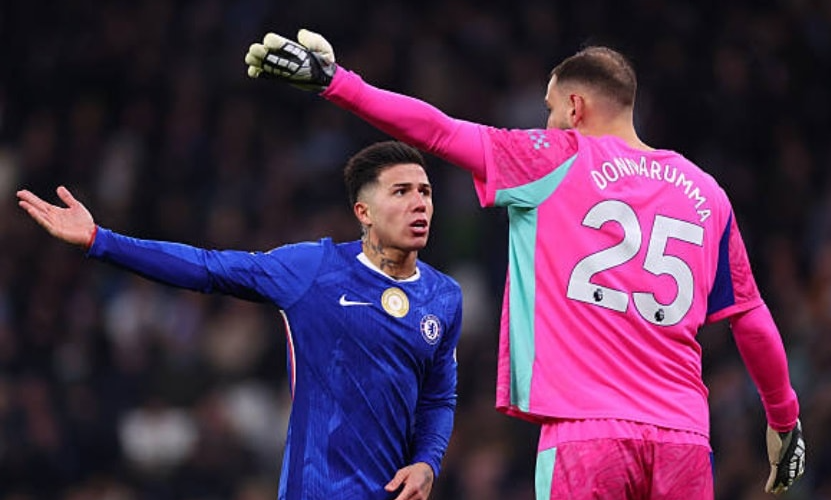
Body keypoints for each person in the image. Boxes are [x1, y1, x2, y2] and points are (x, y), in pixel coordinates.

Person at [243, 30, 807, 499]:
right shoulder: (706, 193)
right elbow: (750, 316)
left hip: (586, 435)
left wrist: (337, 83)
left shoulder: (555, 157)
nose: (547, 121)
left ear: (575, 108)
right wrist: (784, 421)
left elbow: (437, 130)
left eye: (550, 109)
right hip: (684, 439)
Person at [16, 140, 463, 500]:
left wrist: (427, 463)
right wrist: (100, 239)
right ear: (363, 212)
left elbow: (439, 398)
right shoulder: (315, 270)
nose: (419, 203)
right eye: (401, 192)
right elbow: (207, 267)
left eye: (425, 192)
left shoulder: (444, 297)